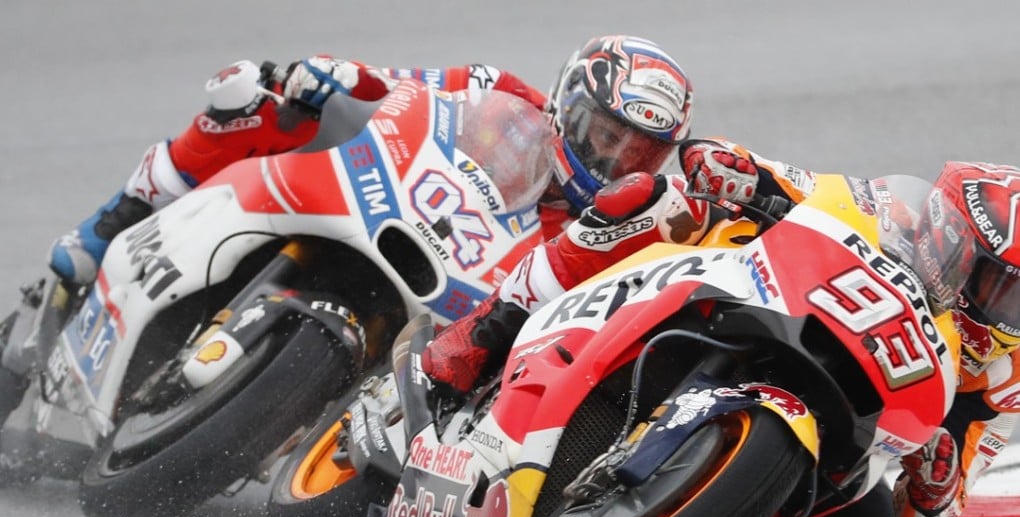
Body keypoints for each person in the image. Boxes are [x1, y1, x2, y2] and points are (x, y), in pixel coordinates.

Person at [421, 141, 1017, 517]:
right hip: (757, 295)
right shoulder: (893, 214)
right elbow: (779, 178)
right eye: (1000, 286)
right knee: (649, 201)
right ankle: (487, 329)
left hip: (845, 419)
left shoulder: (1002, 378)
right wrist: (734, 169)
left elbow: (933, 514)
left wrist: (935, 487)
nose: (1005, 313)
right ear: (951, 236)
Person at [48, 35, 693, 286]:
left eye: (637, 151)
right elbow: (392, 85)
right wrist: (333, 76)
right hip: (389, 204)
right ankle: (117, 217)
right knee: (263, 97)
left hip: (446, 306)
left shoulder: (617, 225)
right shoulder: (501, 92)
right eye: (604, 135)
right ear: (567, 104)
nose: (611, 158)